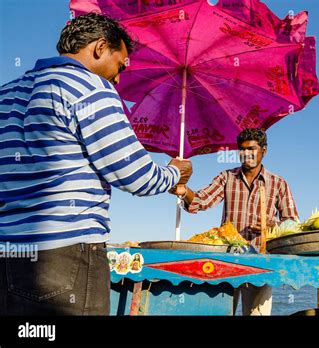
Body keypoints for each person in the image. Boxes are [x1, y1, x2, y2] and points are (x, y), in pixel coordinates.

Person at [0, 13, 192, 315]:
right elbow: (136, 175)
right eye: (120, 65)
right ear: (100, 48)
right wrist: (174, 173)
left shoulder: (7, 93)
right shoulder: (89, 87)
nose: (118, 78)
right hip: (65, 258)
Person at [170, 128, 299, 315]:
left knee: (257, 313)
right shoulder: (227, 177)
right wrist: (184, 190)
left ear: (264, 150)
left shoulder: (278, 183)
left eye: (252, 149)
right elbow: (201, 200)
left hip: (260, 262)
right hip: (227, 260)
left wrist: (272, 226)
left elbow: (293, 223)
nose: (246, 154)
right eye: (242, 149)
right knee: (221, 311)